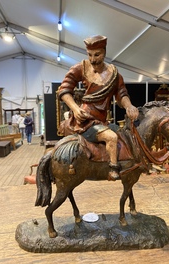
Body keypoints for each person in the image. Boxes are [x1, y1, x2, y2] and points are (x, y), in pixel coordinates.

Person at [57, 35, 139, 180]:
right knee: (111, 137)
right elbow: (64, 90)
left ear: (104, 52)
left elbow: (121, 94)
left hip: (102, 121)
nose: (93, 59)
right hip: (86, 120)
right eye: (89, 55)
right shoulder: (80, 68)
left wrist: (129, 106)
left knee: (123, 134)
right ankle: (113, 170)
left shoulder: (114, 74)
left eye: (97, 54)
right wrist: (75, 109)